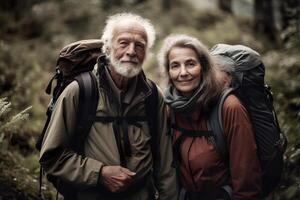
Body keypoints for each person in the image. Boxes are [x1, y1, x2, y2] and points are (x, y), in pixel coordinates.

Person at [39, 13, 178, 200]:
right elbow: (51, 156)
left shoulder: (153, 96)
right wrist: (100, 173)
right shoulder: (80, 91)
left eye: (139, 45)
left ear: (146, 53)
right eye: (123, 43)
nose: (131, 51)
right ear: (107, 47)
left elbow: (165, 164)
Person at [157, 34, 262, 200]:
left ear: (204, 67)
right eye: (175, 66)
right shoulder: (171, 108)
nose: (183, 73)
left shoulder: (229, 107)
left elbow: (246, 178)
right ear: (168, 72)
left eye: (190, 64)